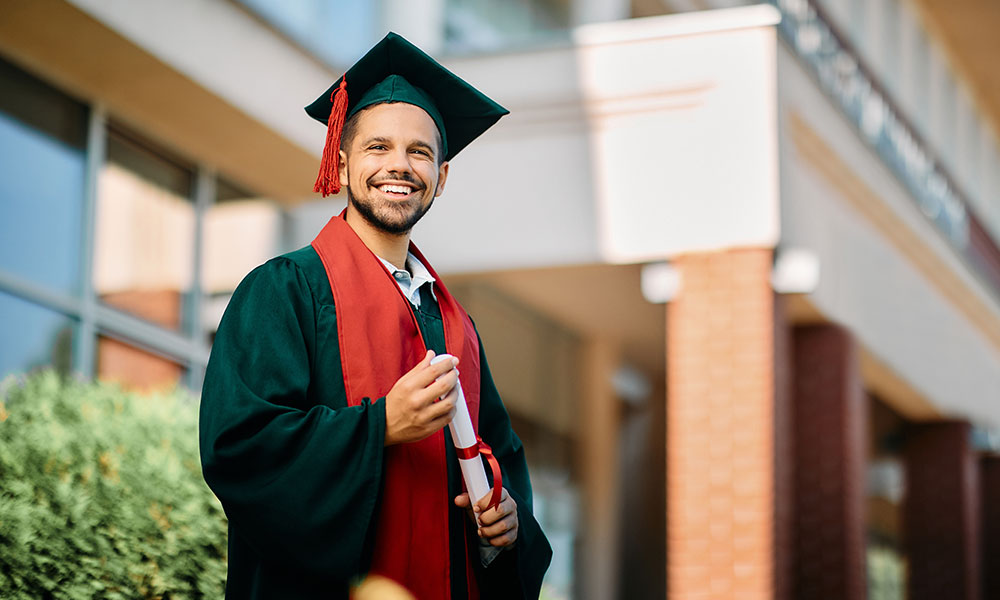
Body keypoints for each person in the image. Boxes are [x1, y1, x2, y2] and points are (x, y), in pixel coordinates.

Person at [199, 32, 552, 599]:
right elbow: (241, 451)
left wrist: (503, 527)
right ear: (340, 167)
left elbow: (503, 464)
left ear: (441, 176)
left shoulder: (455, 326)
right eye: (378, 147)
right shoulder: (283, 292)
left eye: (419, 151)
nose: (400, 164)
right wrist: (380, 426)